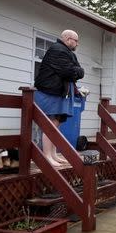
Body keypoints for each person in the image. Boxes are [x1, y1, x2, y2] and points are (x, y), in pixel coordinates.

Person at [34, 29, 84, 167]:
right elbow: (69, 72)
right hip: (50, 93)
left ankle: (54, 154)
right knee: (51, 124)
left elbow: (79, 70)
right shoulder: (58, 50)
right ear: (68, 39)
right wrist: (77, 71)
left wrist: (77, 71)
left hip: (59, 93)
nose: (77, 44)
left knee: (57, 124)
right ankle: (47, 156)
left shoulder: (67, 52)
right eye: (76, 41)